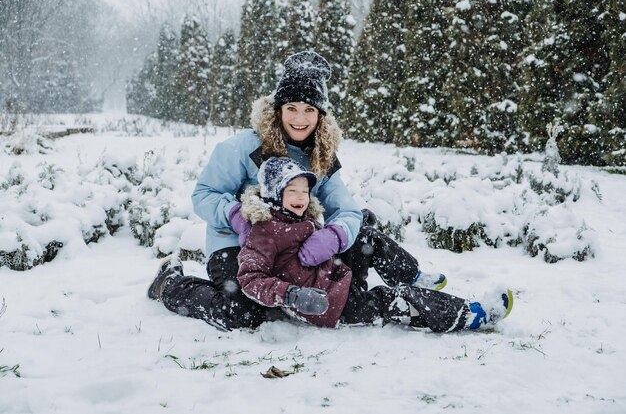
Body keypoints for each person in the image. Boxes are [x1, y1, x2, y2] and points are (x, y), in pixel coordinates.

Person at [146, 50, 503, 331]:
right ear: (277, 109)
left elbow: (345, 209)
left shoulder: (321, 157)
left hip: (300, 253)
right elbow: (203, 195)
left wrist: (333, 236)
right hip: (238, 248)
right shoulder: (242, 148)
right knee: (240, 312)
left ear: (320, 115)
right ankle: (171, 284)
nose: (299, 118)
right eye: (291, 108)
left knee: (362, 228)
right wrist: (235, 215)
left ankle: (412, 283)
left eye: (308, 110)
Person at [235, 157, 513, 331]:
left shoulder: (299, 216)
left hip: (334, 276)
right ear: (274, 195)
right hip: (327, 304)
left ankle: (414, 277)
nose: (300, 197)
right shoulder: (264, 232)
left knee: (365, 236)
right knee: (395, 300)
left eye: (304, 191)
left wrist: (353, 227)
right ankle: (472, 315)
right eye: (291, 191)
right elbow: (250, 279)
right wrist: (292, 295)